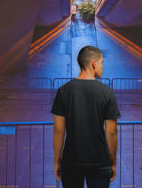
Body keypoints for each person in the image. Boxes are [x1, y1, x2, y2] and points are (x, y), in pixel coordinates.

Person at [51, 46, 120, 188]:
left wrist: (57, 161)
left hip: (71, 161)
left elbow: (58, 131)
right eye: (102, 62)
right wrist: (112, 162)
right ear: (94, 63)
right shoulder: (107, 93)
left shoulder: (63, 91)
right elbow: (111, 132)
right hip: (99, 162)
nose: (103, 66)